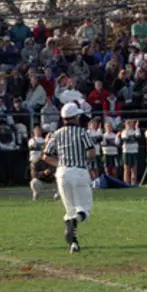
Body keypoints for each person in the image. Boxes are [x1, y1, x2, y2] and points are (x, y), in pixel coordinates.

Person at [45, 102, 97, 253]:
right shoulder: (81, 132)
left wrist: (60, 163)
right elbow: (91, 152)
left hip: (62, 172)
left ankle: (73, 244)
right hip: (79, 171)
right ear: (74, 117)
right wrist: (83, 160)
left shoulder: (57, 133)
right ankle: (75, 222)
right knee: (84, 210)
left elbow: (46, 155)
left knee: (70, 209)